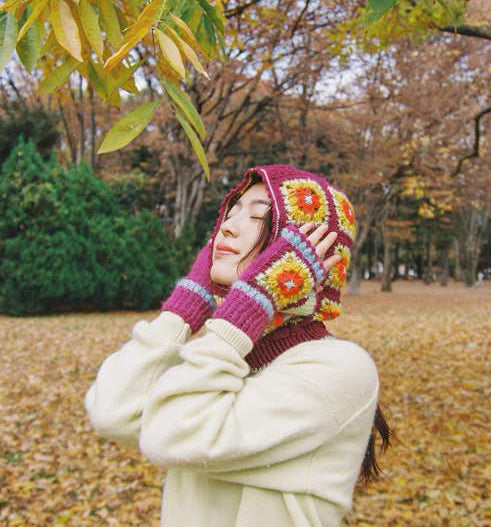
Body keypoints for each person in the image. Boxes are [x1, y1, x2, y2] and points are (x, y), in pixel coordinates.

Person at [85, 165, 391, 527]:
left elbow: (171, 434)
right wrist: (185, 308)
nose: (226, 228)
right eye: (230, 213)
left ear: (305, 259)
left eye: (258, 216)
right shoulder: (219, 359)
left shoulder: (339, 369)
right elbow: (112, 412)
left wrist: (246, 308)